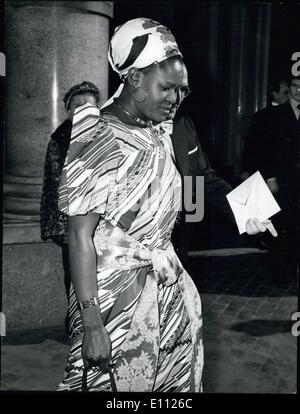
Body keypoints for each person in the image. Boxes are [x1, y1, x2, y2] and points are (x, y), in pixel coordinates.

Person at [56, 18, 272, 393]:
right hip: (113, 294)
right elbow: (79, 235)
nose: (175, 99)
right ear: (135, 78)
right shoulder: (96, 132)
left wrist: (249, 209)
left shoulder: (177, 126)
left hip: (168, 273)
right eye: (167, 88)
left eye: (182, 91)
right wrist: (92, 323)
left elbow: (204, 177)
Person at [40, 81, 101, 303]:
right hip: (71, 225)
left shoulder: (106, 136)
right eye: (77, 106)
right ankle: (78, 327)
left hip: (104, 222)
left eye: (89, 106)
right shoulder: (60, 140)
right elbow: (54, 187)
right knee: (76, 277)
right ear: (68, 110)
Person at [241, 77, 289, 192]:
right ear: (275, 94)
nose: (289, 96)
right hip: (266, 174)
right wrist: (246, 170)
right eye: (285, 93)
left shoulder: (290, 115)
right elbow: (253, 146)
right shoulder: (263, 116)